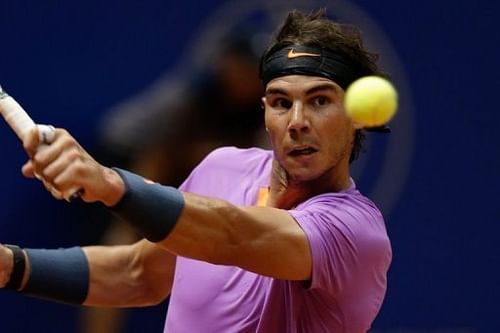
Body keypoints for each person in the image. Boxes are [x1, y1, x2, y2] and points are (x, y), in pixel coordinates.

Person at [0, 9, 392, 333]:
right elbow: (139, 273)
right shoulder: (222, 168)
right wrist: (12, 266)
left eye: (319, 101)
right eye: (280, 102)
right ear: (265, 111)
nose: (297, 121)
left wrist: (109, 183)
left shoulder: (356, 232)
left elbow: (232, 236)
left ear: (356, 117)